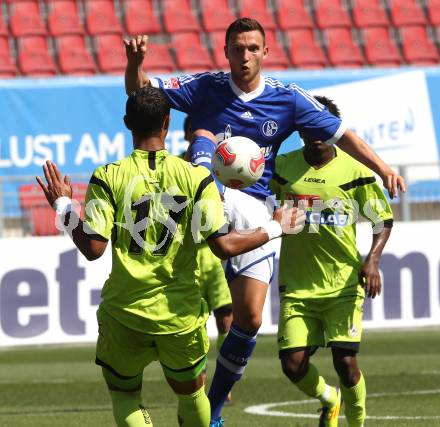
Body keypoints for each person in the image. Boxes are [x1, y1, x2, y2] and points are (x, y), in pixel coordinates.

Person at [124, 18, 405, 426]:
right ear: (226, 52)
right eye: (237, 48)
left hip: (256, 209)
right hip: (209, 197)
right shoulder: (207, 87)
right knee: (202, 137)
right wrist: (135, 65)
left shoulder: (287, 99)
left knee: (250, 319)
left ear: (265, 52)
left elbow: (343, 134)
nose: (245, 56)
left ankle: (212, 411)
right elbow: (143, 95)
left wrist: (382, 167)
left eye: (253, 48)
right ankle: (196, 404)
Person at [35, 86, 303, 427]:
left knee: (125, 395)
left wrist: (62, 205)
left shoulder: (107, 176)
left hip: (125, 312)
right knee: (191, 394)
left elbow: (93, 248)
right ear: (167, 123)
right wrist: (275, 227)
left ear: (127, 123)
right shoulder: (197, 177)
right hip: (180, 315)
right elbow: (223, 245)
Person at [270, 96, 393, 427]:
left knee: (346, 363)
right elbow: (260, 203)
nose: (316, 133)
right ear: (301, 130)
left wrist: (373, 261)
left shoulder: (355, 171)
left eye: (323, 126)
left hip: (342, 286)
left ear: (334, 130)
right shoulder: (282, 168)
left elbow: (383, 219)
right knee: (292, 365)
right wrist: (271, 213)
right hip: (297, 286)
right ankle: (329, 398)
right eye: (309, 126)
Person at [183, 116, 234, 404]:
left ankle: (224, 383)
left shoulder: (222, 167)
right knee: (195, 323)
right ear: (188, 136)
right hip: (189, 255)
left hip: (215, 255)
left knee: (226, 317)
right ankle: (199, 384)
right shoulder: (179, 167)